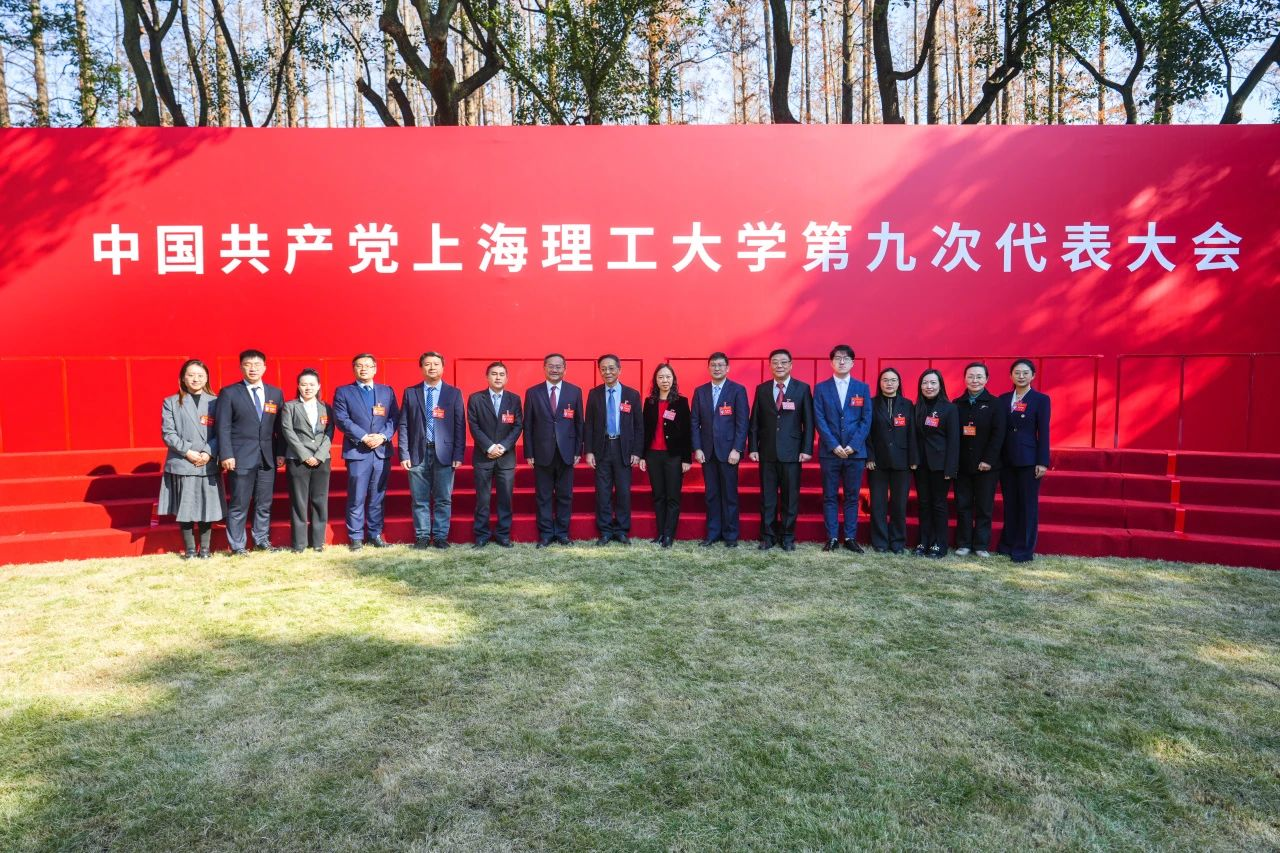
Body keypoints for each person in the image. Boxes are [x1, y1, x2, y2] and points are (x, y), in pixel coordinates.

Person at [216, 349, 284, 555]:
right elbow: (223, 427)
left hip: (267, 457)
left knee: (264, 503)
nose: (253, 368)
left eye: (257, 365)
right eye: (248, 364)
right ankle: (237, 545)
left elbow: (280, 427)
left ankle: (261, 540)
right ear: (241, 367)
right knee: (239, 503)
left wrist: (280, 452)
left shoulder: (275, 393)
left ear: (264, 367)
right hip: (240, 457)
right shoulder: (229, 393)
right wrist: (226, 454)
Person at [398, 351, 466, 549]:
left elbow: (460, 425)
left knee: (443, 498)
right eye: (427, 364)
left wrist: (458, 454)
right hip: (417, 453)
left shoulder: (453, 393)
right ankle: (422, 536)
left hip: (445, 453)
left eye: (436, 364)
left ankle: (440, 536)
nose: (432, 367)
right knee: (419, 499)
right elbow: (403, 424)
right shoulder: (411, 392)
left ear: (443, 367)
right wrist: (404, 453)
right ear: (421, 368)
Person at [159, 358, 226, 559]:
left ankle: (205, 549)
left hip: (207, 461)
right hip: (183, 462)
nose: (195, 379)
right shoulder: (171, 402)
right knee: (185, 507)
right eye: (191, 375)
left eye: (200, 375)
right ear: (183, 378)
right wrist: (187, 451)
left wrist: (208, 452)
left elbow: (222, 431)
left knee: (207, 506)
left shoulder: (216, 402)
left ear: (207, 378)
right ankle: (189, 549)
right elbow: (168, 433)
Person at [749, 348, 814, 552]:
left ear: (791, 365)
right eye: (775, 362)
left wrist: (806, 449)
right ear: (770, 366)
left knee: (790, 498)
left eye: (784, 362)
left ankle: (787, 536)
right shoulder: (762, 389)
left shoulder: (802, 389)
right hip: (767, 452)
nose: (779, 365)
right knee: (767, 498)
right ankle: (767, 537)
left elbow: (809, 422)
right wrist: (753, 447)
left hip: (792, 452)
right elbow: (754, 422)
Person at [332, 353, 399, 550]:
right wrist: (363, 437)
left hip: (381, 451)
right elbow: (342, 419)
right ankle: (355, 537)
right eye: (359, 366)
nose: (364, 369)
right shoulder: (344, 392)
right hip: (357, 452)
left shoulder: (387, 391)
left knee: (377, 495)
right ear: (354, 369)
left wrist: (383, 436)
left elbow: (394, 417)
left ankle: (375, 534)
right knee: (357, 496)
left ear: (375, 369)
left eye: (368, 366)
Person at [813, 344, 873, 553]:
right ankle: (831, 537)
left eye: (846, 358)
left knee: (852, 496)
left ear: (852, 363)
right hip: (830, 452)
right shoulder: (821, 388)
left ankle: (849, 537)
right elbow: (819, 418)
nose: (841, 361)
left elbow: (866, 419)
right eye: (837, 358)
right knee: (829, 496)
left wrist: (853, 445)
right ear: (831, 362)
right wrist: (834, 445)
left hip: (855, 454)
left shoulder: (862, 388)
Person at [524, 353, 584, 547]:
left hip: (567, 452)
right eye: (551, 366)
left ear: (565, 369)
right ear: (544, 368)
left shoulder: (575, 391)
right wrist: (529, 452)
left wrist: (578, 451)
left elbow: (579, 423)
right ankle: (546, 534)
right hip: (541, 452)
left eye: (559, 366)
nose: (555, 369)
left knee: (565, 495)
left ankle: (562, 533)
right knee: (543, 496)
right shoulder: (533, 392)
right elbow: (528, 425)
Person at [691, 352, 749, 548]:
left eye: (720, 365)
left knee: (729, 494)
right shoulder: (700, 391)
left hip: (729, 452)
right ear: (708, 368)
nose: (717, 368)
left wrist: (737, 449)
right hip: (707, 452)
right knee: (712, 494)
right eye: (713, 365)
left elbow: (742, 422)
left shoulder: (737, 390)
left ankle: (731, 534)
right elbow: (694, 422)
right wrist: (697, 448)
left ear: (727, 368)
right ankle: (713, 533)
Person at [585, 354, 644, 545]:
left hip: (623, 448)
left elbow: (639, 426)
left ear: (619, 370)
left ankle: (621, 530)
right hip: (601, 448)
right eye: (603, 369)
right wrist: (589, 451)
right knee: (603, 492)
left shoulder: (632, 395)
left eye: (611, 368)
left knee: (623, 491)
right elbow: (589, 424)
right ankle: (605, 531)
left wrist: (637, 452)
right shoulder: (594, 394)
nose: (607, 372)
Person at [997, 358, 1051, 563]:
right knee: (1010, 503)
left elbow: (1043, 432)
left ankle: (1024, 549)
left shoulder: (1041, 399)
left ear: (1033, 375)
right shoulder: (1003, 399)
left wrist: (1042, 461)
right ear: (1011, 376)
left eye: (1025, 373)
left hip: (1029, 460)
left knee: (1028, 506)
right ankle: (1007, 544)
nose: (1021, 376)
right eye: (1017, 373)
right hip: (1006, 459)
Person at [466, 361, 523, 548]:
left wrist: (503, 446)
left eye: (501, 374)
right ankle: (481, 535)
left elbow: (517, 426)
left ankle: (503, 535)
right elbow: (473, 426)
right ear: (487, 377)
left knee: (505, 498)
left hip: (506, 458)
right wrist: (490, 447)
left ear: (507, 378)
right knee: (483, 500)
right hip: (483, 457)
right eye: (494, 374)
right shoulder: (476, 399)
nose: (498, 377)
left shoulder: (514, 399)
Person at [953, 362, 1006, 558]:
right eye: (970, 376)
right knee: (963, 505)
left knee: (984, 507)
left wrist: (988, 460)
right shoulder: (957, 403)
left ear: (986, 379)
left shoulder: (995, 404)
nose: (974, 380)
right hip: (962, 465)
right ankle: (964, 544)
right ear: (965, 379)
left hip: (987, 466)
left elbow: (998, 435)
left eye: (979, 376)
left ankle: (981, 545)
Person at [280, 368, 335, 553]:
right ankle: (299, 544)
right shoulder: (290, 406)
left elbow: (329, 432)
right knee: (299, 502)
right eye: (304, 384)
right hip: (297, 459)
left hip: (322, 460)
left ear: (318, 386)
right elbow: (288, 432)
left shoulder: (326, 407)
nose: (308, 388)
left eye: (312, 384)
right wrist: (305, 455)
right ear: (298, 386)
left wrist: (318, 456)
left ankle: (318, 542)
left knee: (320, 500)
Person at [639, 363, 692, 547]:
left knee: (672, 496)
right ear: (655, 380)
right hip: (653, 455)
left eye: (668, 377)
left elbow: (687, 432)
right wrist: (642, 456)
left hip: (673, 456)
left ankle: (669, 535)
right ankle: (660, 533)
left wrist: (686, 458)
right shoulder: (650, 402)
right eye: (661, 377)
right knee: (658, 495)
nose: (664, 380)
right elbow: (645, 431)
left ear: (673, 380)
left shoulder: (681, 402)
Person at [865, 368, 917, 554]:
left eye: (893, 380)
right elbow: (866, 432)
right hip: (877, 462)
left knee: (899, 505)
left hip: (902, 462)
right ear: (880, 383)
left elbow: (912, 433)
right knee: (878, 504)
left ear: (898, 383)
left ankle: (897, 542)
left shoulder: (908, 404)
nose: (889, 383)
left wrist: (913, 458)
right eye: (885, 380)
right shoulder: (871, 403)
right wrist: (869, 456)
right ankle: (880, 541)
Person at [913, 369, 959, 559]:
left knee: (938, 504)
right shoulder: (917, 407)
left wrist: (951, 468)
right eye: (925, 383)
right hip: (921, 465)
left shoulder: (949, 408)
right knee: (924, 504)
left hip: (941, 466)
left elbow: (954, 441)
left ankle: (939, 544)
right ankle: (924, 541)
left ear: (940, 385)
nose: (928, 386)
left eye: (933, 383)